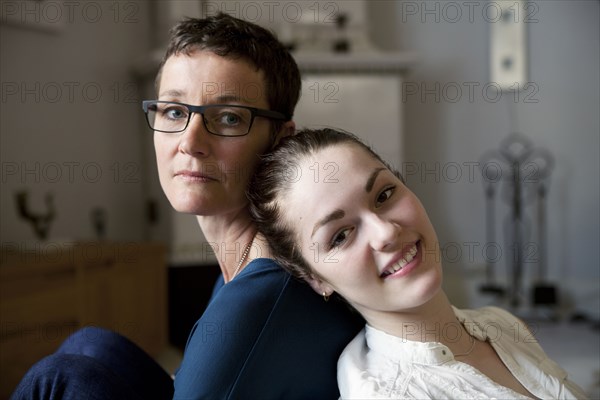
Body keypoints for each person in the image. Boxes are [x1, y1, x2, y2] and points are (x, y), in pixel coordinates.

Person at [11, 14, 362, 400]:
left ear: (280, 138)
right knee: (91, 345)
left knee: (57, 378)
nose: (190, 142)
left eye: (228, 118)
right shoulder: (246, 259)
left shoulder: (255, 301)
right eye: (175, 112)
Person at [248, 128, 588, 399]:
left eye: (383, 195)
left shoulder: (500, 324)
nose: (385, 233)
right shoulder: (386, 393)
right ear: (315, 279)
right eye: (340, 235)